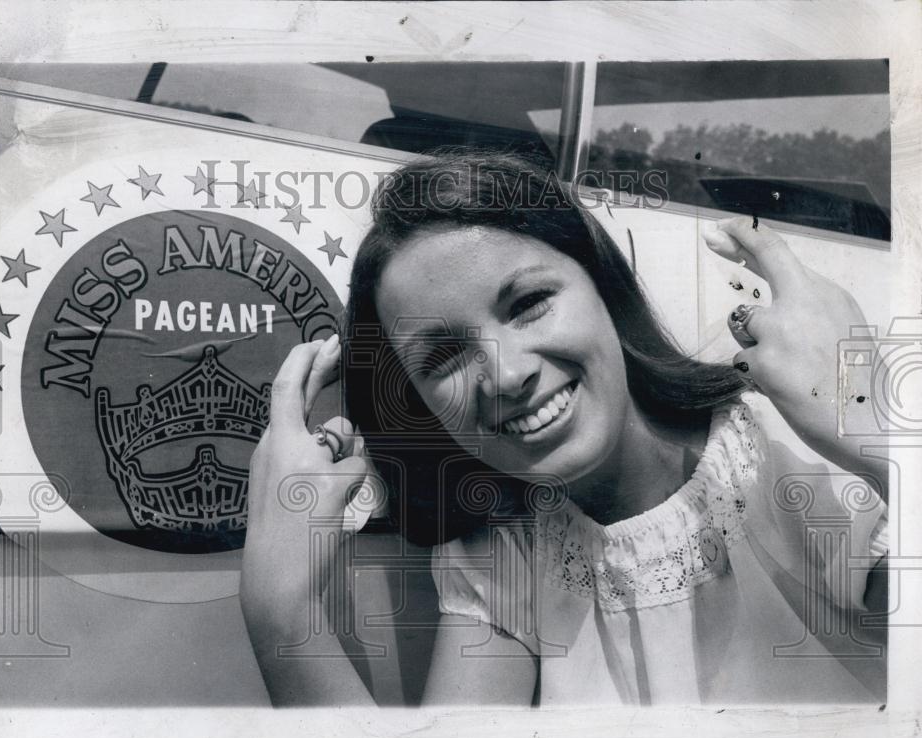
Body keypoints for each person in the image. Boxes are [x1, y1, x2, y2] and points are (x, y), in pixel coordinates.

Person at [240, 151, 889, 706]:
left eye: (527, 304)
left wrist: (874, 436)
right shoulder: (502, 554)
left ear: (603, 285)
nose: (506, 374)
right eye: (442, 358)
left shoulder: (788, 455)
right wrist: (280, 610)